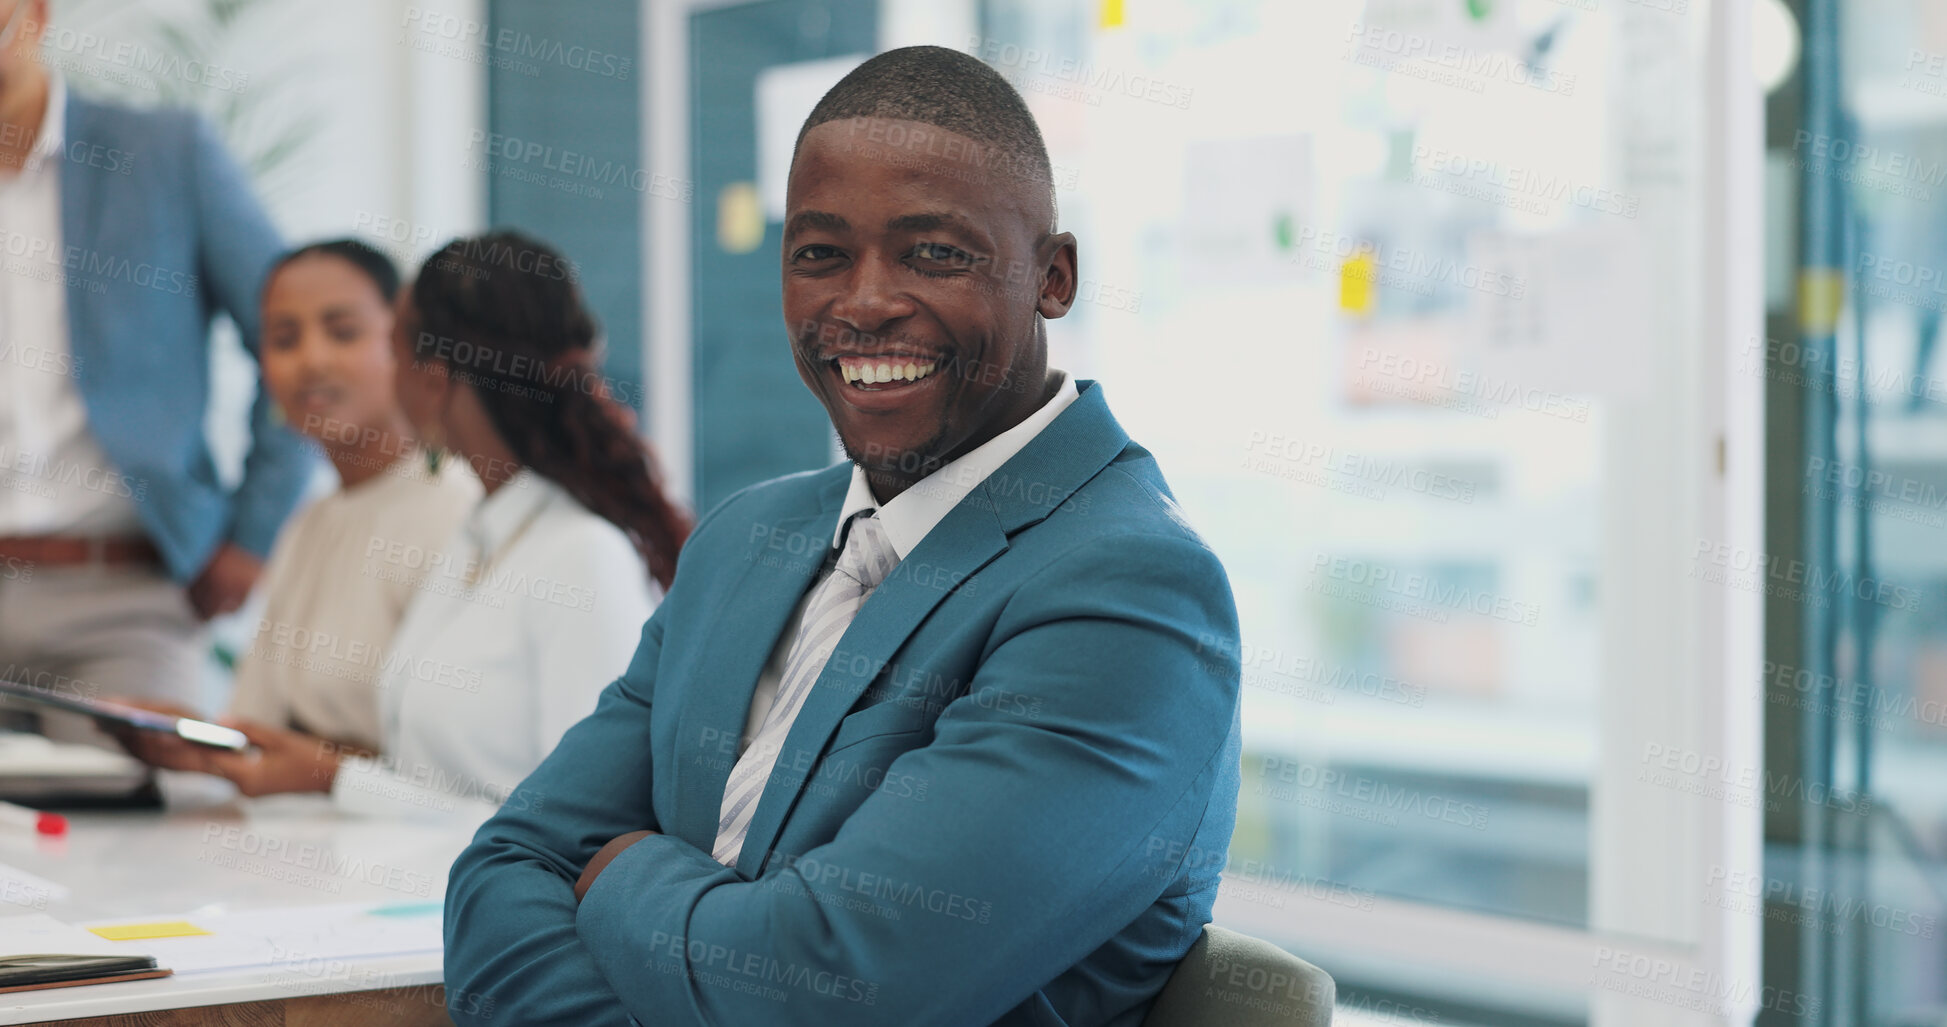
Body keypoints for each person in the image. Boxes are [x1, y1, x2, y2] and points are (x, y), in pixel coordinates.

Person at [443, 46, 1243, 1027]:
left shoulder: (1129, 593)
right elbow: (504, 867)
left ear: (1054, 275)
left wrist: (621, 874)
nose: (862, 303)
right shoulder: (748, 536)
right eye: (821, 253)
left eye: (934, 253)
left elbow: (827, 989)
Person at [164, 232, 690, 818]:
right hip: (393, 883)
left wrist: (334, 779)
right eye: (283, 337)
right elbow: (429, 782)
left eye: (388, 345)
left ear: (433, 380)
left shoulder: (581, 555)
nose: (315, 361)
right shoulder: (476, 540)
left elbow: (579, 830)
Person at [0, 0, 312, 731]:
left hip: (125, 601)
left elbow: (292, 333)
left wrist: (251, 536)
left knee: (132, 829)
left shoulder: (164, 154)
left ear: (37, 15)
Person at [119, 239, 480, 770]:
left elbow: (456, 763)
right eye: (284, 339)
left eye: (343, 333)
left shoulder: (457, 509)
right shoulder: (311, 521)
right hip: (296, 831)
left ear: (405, 344)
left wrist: (315, 769)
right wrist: (190, 742)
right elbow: (259, 725)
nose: (311, 361)